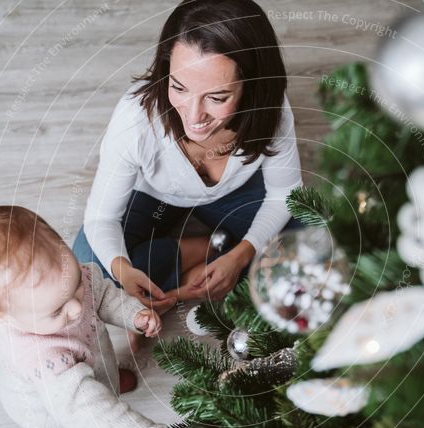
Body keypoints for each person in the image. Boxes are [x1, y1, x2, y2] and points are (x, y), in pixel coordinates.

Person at [72, 0, 303, 349]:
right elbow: (102, 216)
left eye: (217, 97)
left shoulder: (271, 113)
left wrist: (240, 253)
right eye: (178, 87)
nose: (194, 117)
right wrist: (123, 272)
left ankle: (210, 265)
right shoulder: (135, 121)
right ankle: (198, 251)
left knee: (309, 243)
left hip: (238, 193)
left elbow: (285, 195)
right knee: (88, 266)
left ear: (252, 87)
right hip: (155, 197)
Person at [0, 205, 194, 428]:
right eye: (56, 312)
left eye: (75, 285)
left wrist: (134, 314)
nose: (77, 308)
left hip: (89, 364)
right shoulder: (40, 359)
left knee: (100, 386)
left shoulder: (65, 282)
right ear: (4, 317)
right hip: (58, 415)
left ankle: (105, 382)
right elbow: (88, 412)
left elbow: (102, 296)